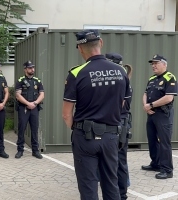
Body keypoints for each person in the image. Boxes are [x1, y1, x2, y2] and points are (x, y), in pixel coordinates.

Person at [62, 29, 130, 200]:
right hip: (111, 137)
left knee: (88, 185)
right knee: (111, 183)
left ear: (79, 48)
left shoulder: (76, 73)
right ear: (101, 43)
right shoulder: (121, 71)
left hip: (85, 137)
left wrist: (78, 129)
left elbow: (66, 113)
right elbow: (121, 104)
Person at [141, 54, 177, 179]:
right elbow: (145, 93)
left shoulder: (169, 77)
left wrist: (150, 105)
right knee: (152, 140)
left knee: (164, 143)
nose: (153, 65)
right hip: (151, 114)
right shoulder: (152, 78)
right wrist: (146, 105)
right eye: (152, 63)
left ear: (164, 64)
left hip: (163, 114)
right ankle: (155, 163)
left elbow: (168, 97)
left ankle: (167, 170)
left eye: (156, 63)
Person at [106, 53, 133, 200]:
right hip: (118, 124)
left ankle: (122, 194)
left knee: (119, 161)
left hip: (119, 124)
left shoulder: (121, 83)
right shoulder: (121, 81)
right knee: (116, 161)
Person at [15, 61, 45, 159]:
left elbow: (42, 94)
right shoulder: (20, 81)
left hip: (34, 108)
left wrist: (35, 103)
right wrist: (28, 104)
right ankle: (20, 150)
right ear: (25, 69)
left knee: (34, 129)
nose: (32, 69)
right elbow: (18, 95)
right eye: (30, 68)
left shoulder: (37, 81)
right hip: (23, 108)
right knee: (21, 129)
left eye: (33, 67)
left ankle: (35, 151)